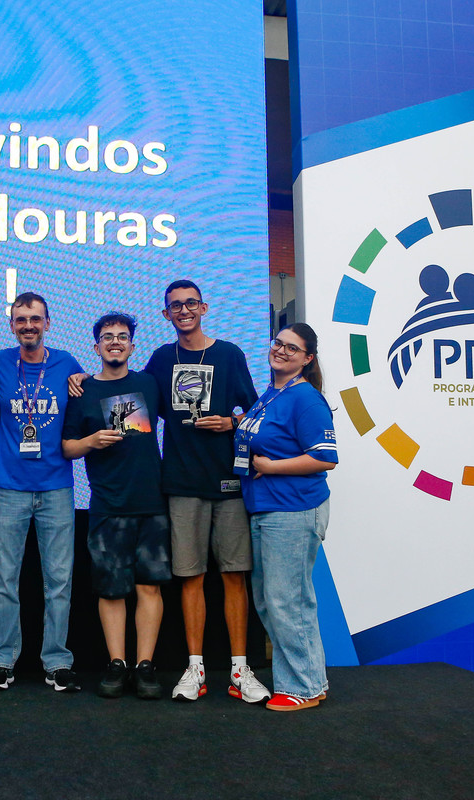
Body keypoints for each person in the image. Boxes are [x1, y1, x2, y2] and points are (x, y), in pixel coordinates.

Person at [144, 280, 269, 704]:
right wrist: (83, 379)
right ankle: (194, 669)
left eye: (190, 303)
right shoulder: (162, 358)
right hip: (181, 484)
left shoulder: (229, 354)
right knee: (189, 577)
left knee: (234, 576)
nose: (183, 310)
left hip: (229, 483)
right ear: (166, 315)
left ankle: (239, 669)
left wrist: (230, 423)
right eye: (175, 306)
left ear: (204, 308)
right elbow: (136, 402)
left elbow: (254, 412)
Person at [62, 312, 170, 700]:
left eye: (122, 337)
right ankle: (117, 664)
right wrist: (92, 441)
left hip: (152, 503)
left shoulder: (148, 383)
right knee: (111, 590)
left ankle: (144, 666)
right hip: (107, 504)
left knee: (149, 588)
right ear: (96, 346)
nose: (115, 342)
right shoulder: (82, 390)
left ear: (131, 345)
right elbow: (67, 446)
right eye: (107, 337)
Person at [0, 292, 84, 693]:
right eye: (21, 319)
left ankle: (57, 661)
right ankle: (1, 660)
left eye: (35, 319)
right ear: (11, 325)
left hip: (57, 486)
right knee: (4, 579)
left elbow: (85, 397)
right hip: (8, 486)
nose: (28, 326)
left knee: (58, 580)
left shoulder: (68, 364)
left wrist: (85, 379)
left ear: (47, 323)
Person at [234, 323, 337, 712]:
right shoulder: (272, 395)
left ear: (307, 358)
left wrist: (273, 467)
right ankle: (306, 680)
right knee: (270, 601)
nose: (281, 350)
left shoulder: (305, 399)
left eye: (292, 348)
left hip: (293, 510)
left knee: (288, 602)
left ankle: (305, 687)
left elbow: (325, 456)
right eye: (278, 343)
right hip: (266, 509)